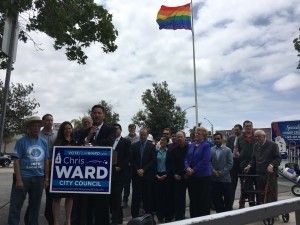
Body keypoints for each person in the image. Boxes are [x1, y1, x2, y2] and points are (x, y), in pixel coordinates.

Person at [75, 104, 116, 225]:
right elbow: (79, 145)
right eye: (95, 113)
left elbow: (109, 143)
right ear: (92, 115)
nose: (97, 115)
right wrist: (88, 137)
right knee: (87, 207)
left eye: (99, 113)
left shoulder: (110, 129)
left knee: (102, 207)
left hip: (103, 175)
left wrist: (91, 144)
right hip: (88, 176)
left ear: (104, 115)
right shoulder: (86, 130)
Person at [8, 116, 50, 225]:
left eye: (38, 125)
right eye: (33, 125)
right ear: (29, 127)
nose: (36, 128)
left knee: (35, 207)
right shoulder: (21, 142)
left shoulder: (44, 142)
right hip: (23, 178)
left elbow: (46, 161)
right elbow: (16, 161)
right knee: (15, 206)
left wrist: (46, 178)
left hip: (39, 179)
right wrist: (18, 179)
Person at [244, 130, 281, 204]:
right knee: (260, 192)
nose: (257, 138)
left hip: (270, 173)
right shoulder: (256, 145)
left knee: (270, 192)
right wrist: (249, 165)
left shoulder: (272, 144)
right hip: (259, 172)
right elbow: (253, 159)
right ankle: (261, 209)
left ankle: (272, 210)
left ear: (264, 136)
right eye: (256, 137)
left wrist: (271, 165)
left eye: (259, 136)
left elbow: (278, 158)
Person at [51, 122, 76, 225]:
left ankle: (68, 220)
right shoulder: (58, 142)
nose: (68, 130)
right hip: (59, 174)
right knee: (57, 198)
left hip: (72, 174)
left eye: (69, 128)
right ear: (62, 130)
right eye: (65, 128)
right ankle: (56, 221)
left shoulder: (76, 142)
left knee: (70, 197)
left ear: (72, 129)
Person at [184, 127, 212, 217]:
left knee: (203, 199)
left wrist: (194, 169)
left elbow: (205, 160)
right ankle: (194, 219)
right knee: (193, 199)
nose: (196, 135)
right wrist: (187, 167)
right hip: (192, 176)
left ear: (204, 135)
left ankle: (204, 220)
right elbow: (186, 158)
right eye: (196, 133)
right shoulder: (191, 145)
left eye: (198, 134)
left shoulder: (206, 145)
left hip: (203, 177)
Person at [130, 128, 156, 218]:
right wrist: (138, 169)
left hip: (147, 175)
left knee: (147, 196)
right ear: (139, 135)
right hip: (136, 175)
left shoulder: (151, 146)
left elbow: (153, 160)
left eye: (144, 135)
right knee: (135, 196)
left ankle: (148, 215)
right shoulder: (134, 145)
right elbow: (132, 159)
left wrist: (144, 170)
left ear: (147, 135)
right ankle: (134, 215)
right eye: (141, 135)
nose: (143, 137)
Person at [110, 123, 131, 225]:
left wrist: (120, 166)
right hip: (108, 173)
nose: (115, 130)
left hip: (120, 173)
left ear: (121, 130)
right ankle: (115, 217)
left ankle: (116, 220)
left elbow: (128, 157)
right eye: (113, 129)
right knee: (110, 197)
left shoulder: (126, 142)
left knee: (117, 196)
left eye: (117, 129)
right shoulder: (109, 141)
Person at [40, 114, 57, 225]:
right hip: (39, 168)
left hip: (53, 170)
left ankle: (50, 220)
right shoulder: (39, 135)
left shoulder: (57, 134)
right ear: (43, 122)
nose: (50, 122)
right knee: (34, 197)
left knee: (50, 197)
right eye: (47, 120)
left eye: (51, 120)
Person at [210, 132, 233, 213]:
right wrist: (214, 172)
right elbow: (208, 162)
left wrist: (222, 172)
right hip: (214, 179)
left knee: (228, 199)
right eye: (215, 139)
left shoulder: (227, 150)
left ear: (222, 139)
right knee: (216, 199)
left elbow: (230, 163)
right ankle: (220, 215)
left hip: (225, 179)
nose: (216, 140)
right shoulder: (211, 150)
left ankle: (228, 215)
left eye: (218, 139)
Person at [169, 131, 188, 221]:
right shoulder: (173, 149)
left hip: (189, 175)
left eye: (181, 137)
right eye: (178, 137)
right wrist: (174, 174)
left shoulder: (190, 148)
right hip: (178, 176)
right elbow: (171, 163)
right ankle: (179, 216)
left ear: (184, 137)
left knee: (193, 197)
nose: (179, 138)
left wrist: (189, 173)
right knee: (179, 198)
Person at [237, 120, 257, 207]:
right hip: (244, 166)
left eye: (250, 125)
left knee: (257, 185)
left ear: (252, 126)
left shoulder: (256, 136)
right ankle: (247, 204)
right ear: (244, 127)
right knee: (246, 186)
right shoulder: (240, 138)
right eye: (246, 126)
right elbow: (239, 150)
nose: (248, 127)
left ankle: (257, 203)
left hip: (256, 165)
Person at [122, 124, 140, 208]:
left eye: (133, 128)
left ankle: (138, 201)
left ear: (135, 129)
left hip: (136, 164)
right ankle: (125, 200)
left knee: (137, 184)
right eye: (130, 128)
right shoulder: (125, 138)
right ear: (128, 129)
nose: (132, 129)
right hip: (128, 165)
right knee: (127, 184)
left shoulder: (139, 138)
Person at [154, 136, 171, 223]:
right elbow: (153, 164)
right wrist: (156, 175)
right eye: (161, 140)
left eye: (164, 140)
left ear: (167, 142)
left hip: (166, 176)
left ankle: (167, 216)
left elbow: (171, 165)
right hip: (157, 176)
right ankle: (160, 216)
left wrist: (166, 174)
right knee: (158, 197)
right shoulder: (156, 152)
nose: (162, 141)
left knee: (166, 197)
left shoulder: (169, 152)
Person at [226, 124, 243, 208]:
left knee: (243, 185)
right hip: (233, 163)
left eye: (237, 130)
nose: (235, 131)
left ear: (241, 130)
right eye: (234, 130)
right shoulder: (230, 139)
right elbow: (227, 150)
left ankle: (242, 204)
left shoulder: (244, 138)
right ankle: (229, 205)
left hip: (242, 163)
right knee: (232, 185)